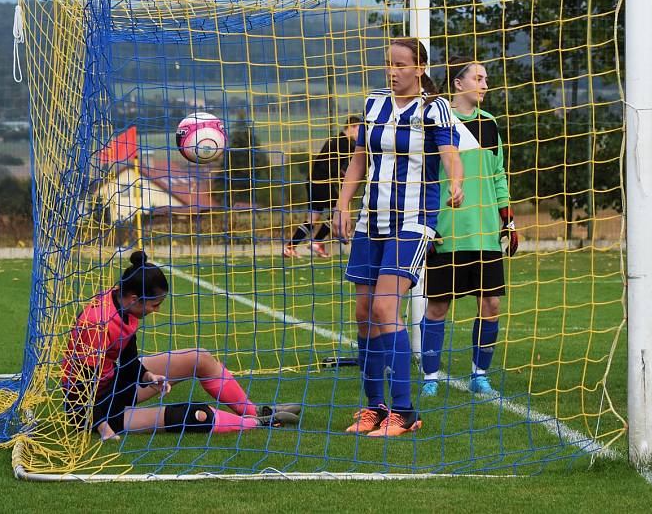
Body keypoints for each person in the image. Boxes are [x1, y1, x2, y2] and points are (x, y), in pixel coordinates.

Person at [333, 38, 464, 437]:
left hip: (413, 220)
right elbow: (359, 159)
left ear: (420, 68)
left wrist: (456, 183)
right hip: (370, 221)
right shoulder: (374, 102)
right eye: (389, 64)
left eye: (402, 64)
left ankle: (405, 413)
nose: (393, 71)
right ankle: (374, 407)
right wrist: (342, 204)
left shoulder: (434, 107)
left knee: (386, 308)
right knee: (363, 314)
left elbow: (450, 155)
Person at [63, 250, 300, 441]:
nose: (157, 310)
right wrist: (103, 426)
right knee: (195, 415)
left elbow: (127, 359)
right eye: (155, 305)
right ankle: (260, 423)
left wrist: (147, 376)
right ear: (135, 299)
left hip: (114, 381)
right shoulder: (97, 323)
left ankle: (255, 411)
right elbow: (80, 388)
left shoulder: (123, 303)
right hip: (92, 408)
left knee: (200, 358)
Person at [420, 57, 518, 397]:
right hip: (447, 232)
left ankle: (480, 375)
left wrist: (508, 220)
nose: (486, 84)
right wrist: (427, 225)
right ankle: (430, 378)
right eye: (479, 78)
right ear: (458, 84)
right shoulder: (434, 124)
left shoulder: (490, 124)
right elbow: (424, 177)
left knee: (491, 304)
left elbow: (499, 175)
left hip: (486, 231)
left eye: (486, 78)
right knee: (437, 306)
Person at [284, 116, 362, 259]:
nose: (361, 133)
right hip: (321, 182)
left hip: (313, 182)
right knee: (339, 209)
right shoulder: (344, 144)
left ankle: (290, 247)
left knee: (313, 218)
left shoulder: (335, 140)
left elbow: (332, 166)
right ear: (351, 127)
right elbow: (341, 168)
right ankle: (317, 242)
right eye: (360, 129)